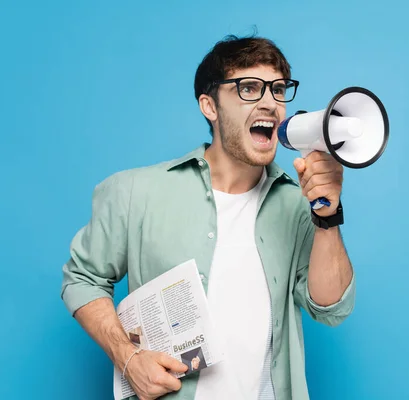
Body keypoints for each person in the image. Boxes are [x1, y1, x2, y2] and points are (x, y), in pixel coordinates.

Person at [60, 34, 356, 400]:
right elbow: (82, 278)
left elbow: (330, 309)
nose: (270, 103)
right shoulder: (135, 191)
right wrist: (127, 357)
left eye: (278, 90)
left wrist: (327, 215)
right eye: (249, 88)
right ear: (209, 106)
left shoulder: (297, 205)